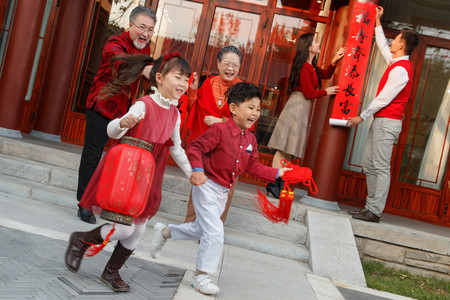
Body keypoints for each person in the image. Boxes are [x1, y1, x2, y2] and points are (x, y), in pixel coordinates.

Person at [65, 53, 193, 292]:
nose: (183, 84)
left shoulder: (176, 115)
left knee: (140, 228)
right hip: (128, 170)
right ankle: (81, 240)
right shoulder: (144, 104)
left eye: (187, 79)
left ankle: (110, 272)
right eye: (178, 77)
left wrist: (191, 172)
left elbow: (175, 147)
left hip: (148, 176)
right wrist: (123, 124)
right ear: (159, 77)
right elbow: (112, 130)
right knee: (124, 227)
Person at [150, 82, 291, 296]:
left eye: (258, 109)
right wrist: (196, 170)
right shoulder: (219, 130)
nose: (255, 113)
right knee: (215, 231)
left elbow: (253, 166)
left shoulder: (250, 139)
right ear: (233, 109)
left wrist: (279, 174)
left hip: (223, 192)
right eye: (250, 108)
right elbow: (196, 147)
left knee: (200, 228)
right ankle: (201, 276)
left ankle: (165, 231)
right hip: (206, 186)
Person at [76, 6, 156, 224]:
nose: (145, 34)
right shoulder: (114, 43)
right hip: (101, 109)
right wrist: (144, 69)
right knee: (92, 157)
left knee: (119, 160)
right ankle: (84, 204)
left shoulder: (146, 51)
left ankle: (109, 202)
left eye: (150, 30)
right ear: (130, 25)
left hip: (126, 115)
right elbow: (120, 63)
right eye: (141, 27)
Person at [346, 6, 419, 223]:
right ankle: (370, 207)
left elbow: (384, 99)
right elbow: (382, 46)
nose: (392, 42)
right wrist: (378, 21)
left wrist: (362, 115)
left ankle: (375, 211)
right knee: (370, 164)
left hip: (387, 123)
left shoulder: (400, 69)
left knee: (380, 166)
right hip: (382, 122)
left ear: (402, 45)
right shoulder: (397, 63)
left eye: (395, 39)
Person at [266, 33, 346, 198]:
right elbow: (309, 93)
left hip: (300, 107)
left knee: (287, 148)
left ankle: (278, 184)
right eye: (315, 42)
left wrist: (334, 60)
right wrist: (326, 91)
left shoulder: (311, 66)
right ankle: (275, 183)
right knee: (283, 147)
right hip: (297, 106)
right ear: (308, 47)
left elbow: (326, 74)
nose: (318, 44)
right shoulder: (304, 66)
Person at [182, 46, 243, 224]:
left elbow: (247, 120)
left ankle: (213, 229)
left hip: (230, 148)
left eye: (235, 65)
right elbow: (195, 107)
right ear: (218, 63)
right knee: (199, 185)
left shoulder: (243, 90)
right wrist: (193, 91)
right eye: (226, 63)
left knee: (224, 191)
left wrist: (222, 122)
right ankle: (191, 225)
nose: (230, 68)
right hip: (205, 144)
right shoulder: (207, 83)